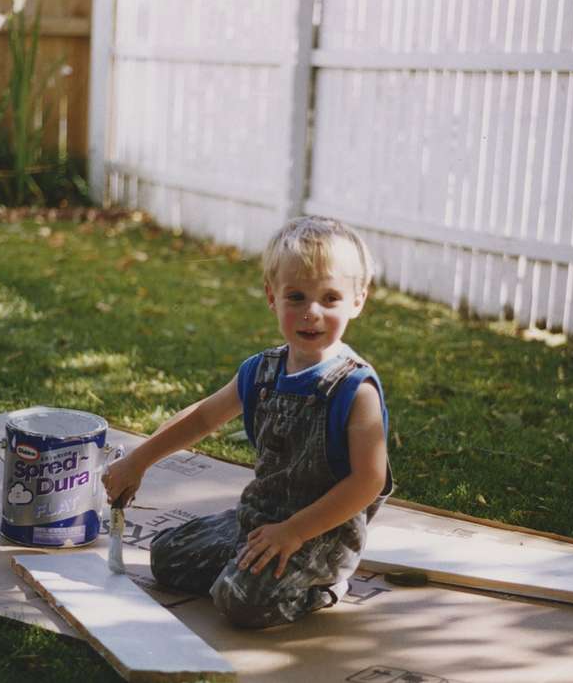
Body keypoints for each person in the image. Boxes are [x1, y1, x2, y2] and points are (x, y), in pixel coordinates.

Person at [102, 216, 393, 628]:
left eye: (330, 298)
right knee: (165, 558)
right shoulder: (262, 371)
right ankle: (244, 554)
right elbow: (204, 417)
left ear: (357, 301)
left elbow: (369, 481)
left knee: (239, 603)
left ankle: (320, 587)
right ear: (271, 297)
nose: (312, 312)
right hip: (260, 518)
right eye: (296, 297)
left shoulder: (354, 387)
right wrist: (139, 460)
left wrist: (293, 531)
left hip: (319, 535)